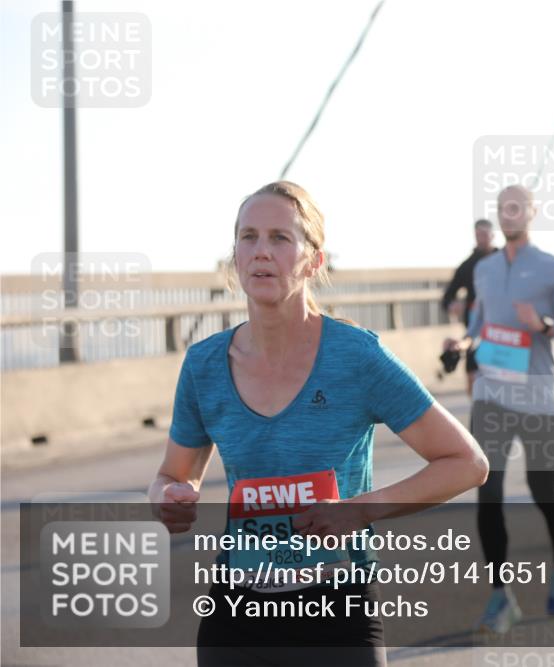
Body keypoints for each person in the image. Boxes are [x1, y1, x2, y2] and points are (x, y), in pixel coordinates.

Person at [149, 181, 489, 667]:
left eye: (279, 238)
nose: (261, 251)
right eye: (248, 237)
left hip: (336, 612)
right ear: (235, 257)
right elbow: (172, 476)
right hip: (237, 614)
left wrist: (359, 511)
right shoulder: (204, 365)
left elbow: (466, 463)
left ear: (314, 261)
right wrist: (167, 499)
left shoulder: (356, 357)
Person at [443, 185, 554, 634]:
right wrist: (463, 343)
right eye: (503, 208)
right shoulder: (485, 270)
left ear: (532, 212)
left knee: (543, 491)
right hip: (491, 395)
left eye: (517, 207)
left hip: (541, 398)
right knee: (487, 492)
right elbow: (478, 323)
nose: (509, 215)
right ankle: (500, 594)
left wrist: (544, 324)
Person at [441, 219, 499, 394]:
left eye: (485, 234)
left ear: (492, 235)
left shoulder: (506, 261)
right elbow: (447, 297)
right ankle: (477, 408)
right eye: (478, 235)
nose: (481, 238)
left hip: (501, 329)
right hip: (475, 329)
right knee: (472, 376)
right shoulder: (467, 266)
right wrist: (453, 304)